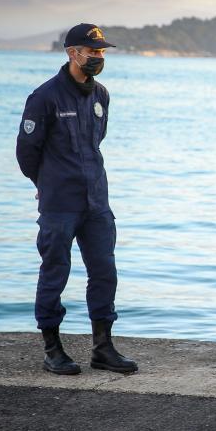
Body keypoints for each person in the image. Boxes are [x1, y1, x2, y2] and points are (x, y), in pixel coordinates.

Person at [15, 23, 137, 375]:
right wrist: (44, 182)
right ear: (72, 53)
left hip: (97, 201)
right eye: (92, 51)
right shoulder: (44, 97)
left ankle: (103, 347)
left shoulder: (101, 95)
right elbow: (26, 152)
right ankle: (53, 349)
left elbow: (96, 142)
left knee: (104, 272)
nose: (98, 57)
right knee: (55, 273)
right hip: (59, 203)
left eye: (101, 52)